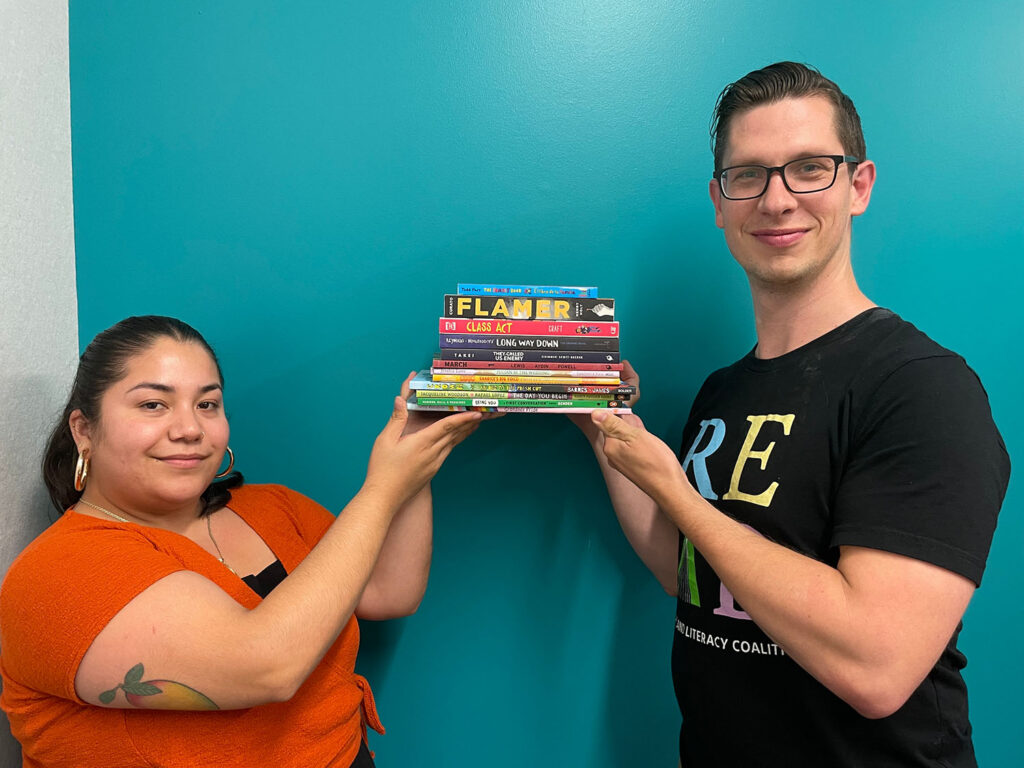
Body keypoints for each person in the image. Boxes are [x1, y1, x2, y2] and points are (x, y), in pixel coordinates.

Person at [574, 62, 1010, 767]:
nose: (777, 200)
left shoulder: (922, 389)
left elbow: (877, 667)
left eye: (810, 168)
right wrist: (601, 428)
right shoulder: (724, 392)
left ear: (858, 186)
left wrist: (675, 493)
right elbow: (690, 573)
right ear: (720, 202)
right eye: (748, 175)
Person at [0, 315, 487, 768]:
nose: (190, 428)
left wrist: (418, 452)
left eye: (207, 404)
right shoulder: (59, 573)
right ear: (84, 430)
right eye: (153, 404)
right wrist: (383, 489)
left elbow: (388, 591)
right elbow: (267, 668)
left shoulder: (272, 507)